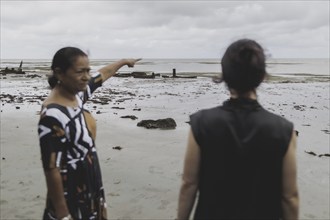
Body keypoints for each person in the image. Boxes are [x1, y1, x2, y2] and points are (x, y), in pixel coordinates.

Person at [177, 39, 299, 220]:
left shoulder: (201, 123)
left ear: (225, 75)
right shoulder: (283, 130)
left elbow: (189, 184)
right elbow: (289, 197)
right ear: (262, 75)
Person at [38, 46, 141, 220]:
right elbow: (51, 168)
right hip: (70, 191)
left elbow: (102, 75)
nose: (86, 77)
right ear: (59, 73)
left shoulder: (76, 95)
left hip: (89, 182)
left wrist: (124, 61)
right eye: (80, 72)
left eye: (88, 70)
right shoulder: (52, 115)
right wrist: (63, 214)